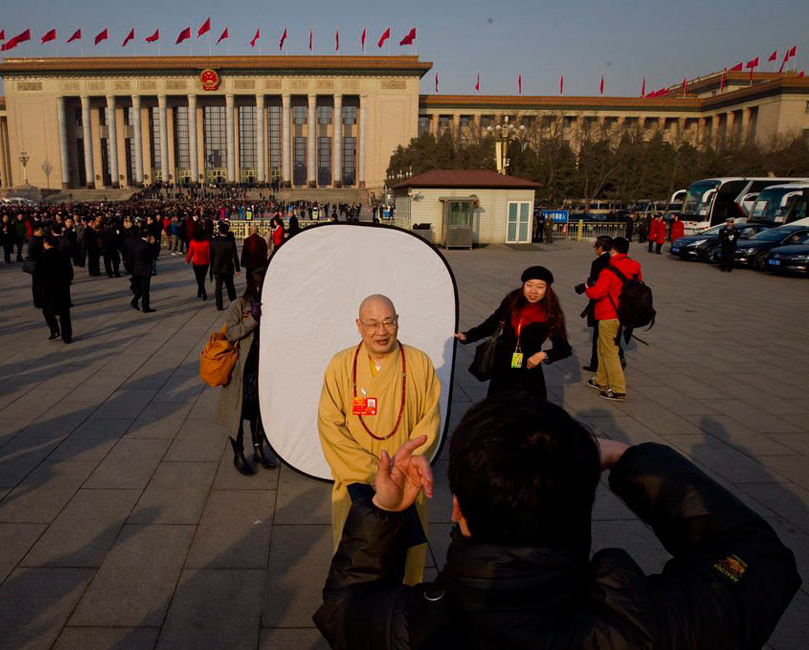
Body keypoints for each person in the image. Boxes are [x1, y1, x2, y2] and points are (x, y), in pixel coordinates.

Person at [312, 393, 800, 650]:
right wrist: (629, 460)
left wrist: (389, 511)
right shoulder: (649, 627)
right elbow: (762, 561)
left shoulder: (409, 628)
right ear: (582, 499)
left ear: (457, 506)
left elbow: (343, 605)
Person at [318, 294, 441, 586]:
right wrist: (374, 472)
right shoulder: (341, 365)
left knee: (405, 561)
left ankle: (404, 611)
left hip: (405, 481)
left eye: (388, 322)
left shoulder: (418, 363)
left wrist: (400, 470)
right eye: (372, 324)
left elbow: (429, 421)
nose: (381, 331)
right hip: (356, 480)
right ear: (359, 326)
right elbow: (329, 425)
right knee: (357, 558)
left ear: (397, 322)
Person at [456, 266, 571, 401]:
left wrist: (543, 355)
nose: (533, 291)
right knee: (498, 409)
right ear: (523, 285)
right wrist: (468, 336)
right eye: (529, 285)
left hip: (528, 369)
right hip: (503, 366)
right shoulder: (512, 301)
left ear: (547, 289)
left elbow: (564, 349)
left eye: (540, 287)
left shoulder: (551, 313)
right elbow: (492, 323)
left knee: (526, 413)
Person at [216, 268, 277, 475]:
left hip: (262, 370)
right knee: (238, 414)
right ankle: (238, 454)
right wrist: (253, 319)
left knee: (260, 414)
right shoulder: (238, 305)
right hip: (240, 372)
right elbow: (231, 333)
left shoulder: (273, 305)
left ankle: (258, 450)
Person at [584, 237, 641, 401]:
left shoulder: (609, 271)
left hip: (609, 314)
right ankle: (601, 380)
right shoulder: (635, 268)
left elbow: (597, 293)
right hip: (627, 315)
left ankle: (617, 389)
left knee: (610, 352)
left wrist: (588, 288)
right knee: (603, 347)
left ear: (613, 250)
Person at [577, 237, 624, 373]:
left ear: (600, 248)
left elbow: (596, 285)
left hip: (603, 305)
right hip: (618, 305)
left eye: (596, 247)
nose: (595, 250)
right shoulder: (615, 261)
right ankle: (613, 358)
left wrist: (586, 289)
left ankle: (597, 364)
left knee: (599, 336)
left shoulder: (598, 262)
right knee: (610, 336)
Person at [34, 234, 74, 343]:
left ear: (46, 244)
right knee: (64, 314)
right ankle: (67, 336)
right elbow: (70, 273)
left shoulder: (41, 257)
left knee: (47, 311)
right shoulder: (63, 256)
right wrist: (67, 282)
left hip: (48, 290)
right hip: (62, 289)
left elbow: (37, 276)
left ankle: (54, 330)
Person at [124, 225, 156, 312]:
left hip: (137, 269)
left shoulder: (138, 243)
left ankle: (135, 301)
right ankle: (144, 306)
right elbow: (152, 256)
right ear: (148, 236)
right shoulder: (147, 245)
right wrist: (153, 244)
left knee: (142, 288)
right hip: (145, 270)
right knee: (145, 289)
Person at [209, 221, 240, 311]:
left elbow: (211, 256)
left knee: (218, 288)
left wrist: (211, 267)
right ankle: (233, 303)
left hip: (217, 267)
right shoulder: (230, 242)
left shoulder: (213, 242)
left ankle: (219, 305)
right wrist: (237, 268)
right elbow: (235, 257)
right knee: (230, 286)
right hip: (228, 267)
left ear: (219, 231)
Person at [186, 226, 211, 301]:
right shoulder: (206, 242)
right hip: (205, 263)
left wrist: (187, 260)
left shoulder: (193, 242)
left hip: (196, 262)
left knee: (198, 278)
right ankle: (200, 290)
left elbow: (190, 252)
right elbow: (209, 253)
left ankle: (203, 291)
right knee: (202, 278)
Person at [240, 224, 268, 288]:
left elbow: (244, 253)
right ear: (257, 231)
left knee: (250, 280)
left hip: (250, 264)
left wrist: (243, 263)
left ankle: (250, 294)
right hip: (260, 264)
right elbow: (265, 252)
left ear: (251, 231)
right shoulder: (262, 240)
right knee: (258, 281)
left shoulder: (247, 240)